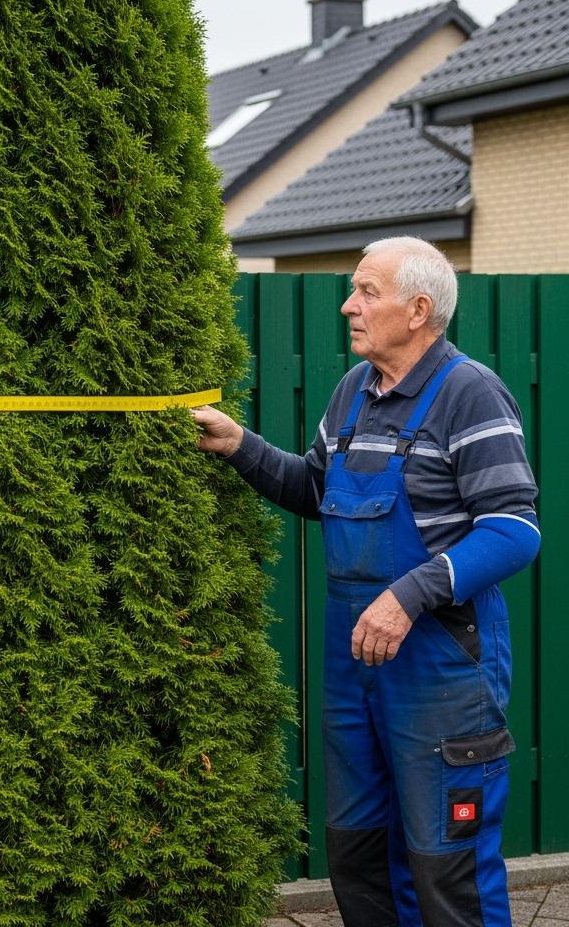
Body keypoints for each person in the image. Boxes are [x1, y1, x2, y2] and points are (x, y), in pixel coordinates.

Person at [193, 238, 540, 927]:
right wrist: (240, 445)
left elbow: (513, 530)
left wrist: (408, 594)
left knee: (448, 867)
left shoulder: (469, 393)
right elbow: (315, 489)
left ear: (417, 310)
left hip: (441, 670)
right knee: (359, 858)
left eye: (366, 292)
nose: (349, 305)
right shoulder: (353, 393)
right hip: (355, 668)